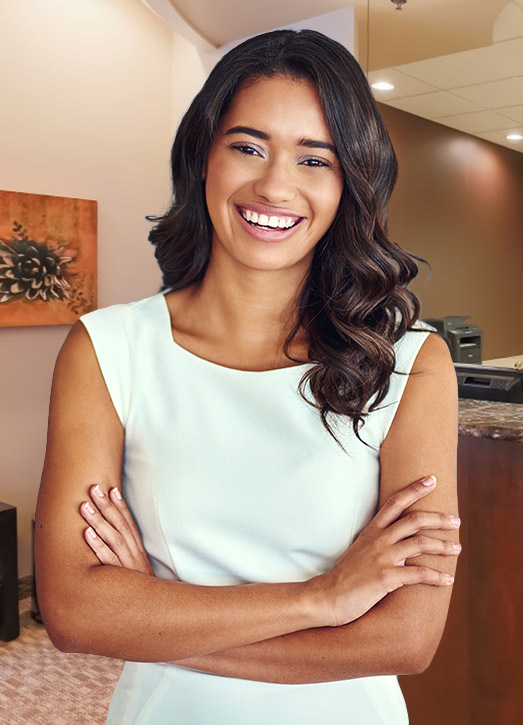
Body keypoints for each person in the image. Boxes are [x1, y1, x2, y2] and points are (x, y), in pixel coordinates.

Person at [35, 29, 459, 724]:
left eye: (313, 159)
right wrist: (321, 598)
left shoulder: (411, 363)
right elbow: (76, 612)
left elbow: (405, 637)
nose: (273, 185)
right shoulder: (108, 349)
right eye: (247, 146)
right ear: (203, 154)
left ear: (349, 182)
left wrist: (153, 613)